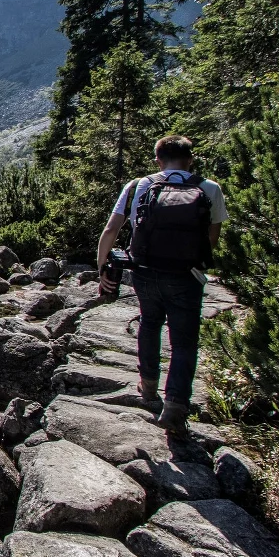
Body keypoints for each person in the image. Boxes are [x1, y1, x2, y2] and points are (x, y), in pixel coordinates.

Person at [96, 135, 227, 434]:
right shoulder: (209, 188)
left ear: (157, 159)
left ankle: (148, 385)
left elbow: (111, 229)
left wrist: (103, 268)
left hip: (144, 271)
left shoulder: (138, 185)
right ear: (190, 159)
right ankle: (177, 405)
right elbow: (212, 237)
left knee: (150, 323)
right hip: (186, 276)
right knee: (184, 342)